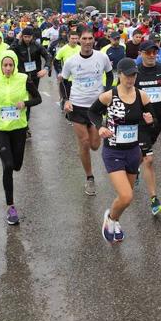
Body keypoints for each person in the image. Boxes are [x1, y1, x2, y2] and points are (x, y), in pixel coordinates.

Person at [89, 58, 155, 242]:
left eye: (134, 75)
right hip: (113, 152)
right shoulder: (110, 95)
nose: (131, 78)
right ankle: (109, 218)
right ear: (119, 75)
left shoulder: (142, 96)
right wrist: (100, 127)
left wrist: (150, 120)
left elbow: (150, 121)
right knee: (126, 196)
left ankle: (115, 220)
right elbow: (93, 112)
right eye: (128, 75)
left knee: (127, 195)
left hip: (133, 152)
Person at [0, 50, 42, 225]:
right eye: (5, 65)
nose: (7, 68)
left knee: (17, 165)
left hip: (18, 127)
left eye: (10, 65)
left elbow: (38, 98)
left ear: (15, 65)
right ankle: (11, 207)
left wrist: (25, 103)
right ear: (0, 66)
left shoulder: (23, 79)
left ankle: (11, 161)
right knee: (7, 165)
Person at [60, 26, 114, 196]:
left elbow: (110, 74)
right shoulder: (71, 61)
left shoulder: (102, 57)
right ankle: (89, 178)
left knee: (95, 145)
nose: (88, 42)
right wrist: (66, 100)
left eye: (90, 38)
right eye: (84, 38)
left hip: (96, 107)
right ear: (79, 40)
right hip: (77, 106)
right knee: (83, 142)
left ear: (94, 40)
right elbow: (64, 81)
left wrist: (106, 92)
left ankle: (90, 143)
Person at [135, 40, 161, 215]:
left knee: (142, 154)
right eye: (148, 53)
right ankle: (154, 200)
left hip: (158, 120)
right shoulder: (134, 72)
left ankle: (134, 167)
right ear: (141, 53)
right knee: (149, 159)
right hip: (140, 121)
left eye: (154, 52)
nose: (152, 56)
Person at [10, 26, 51, 133]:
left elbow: (48, 56)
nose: (27, 39)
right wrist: (16, 39)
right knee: (22, 99)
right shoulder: (18, 45)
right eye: (25, 37)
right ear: (22, 36)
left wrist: (45, 68)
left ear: (32, 37)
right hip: (21, 77)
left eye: (29, 37)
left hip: (34, 77)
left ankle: (24, 124)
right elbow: (8, 52)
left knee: (29, 102)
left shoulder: (37, 46)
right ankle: (24, 126)